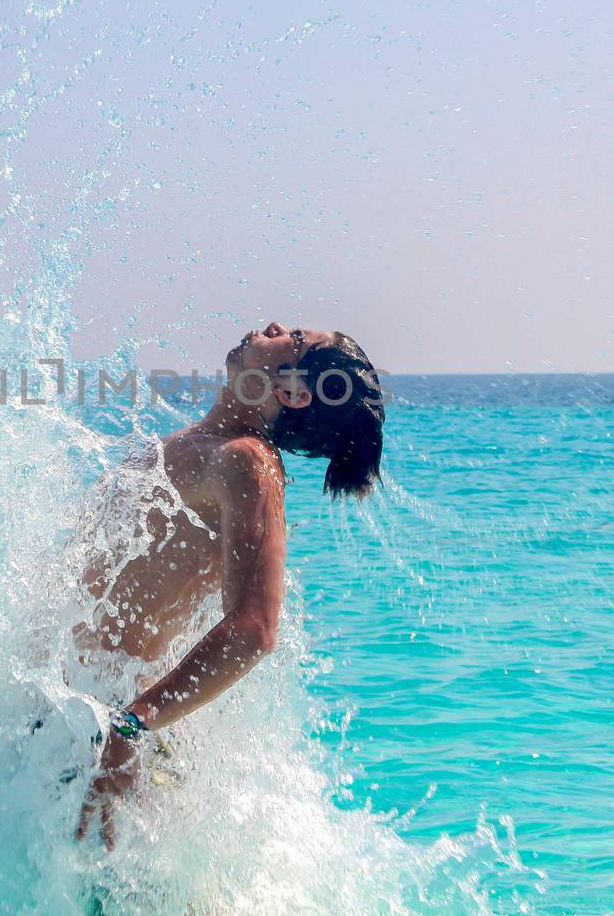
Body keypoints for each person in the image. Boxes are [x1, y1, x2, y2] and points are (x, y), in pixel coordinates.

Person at [72, 322, 385, 849]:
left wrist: (131, 728)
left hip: (112, 745)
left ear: (293, 392)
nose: (275, 327)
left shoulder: (248, 462)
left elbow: (255, 629)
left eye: (297, 340)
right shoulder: (199, 442)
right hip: (77, 720)